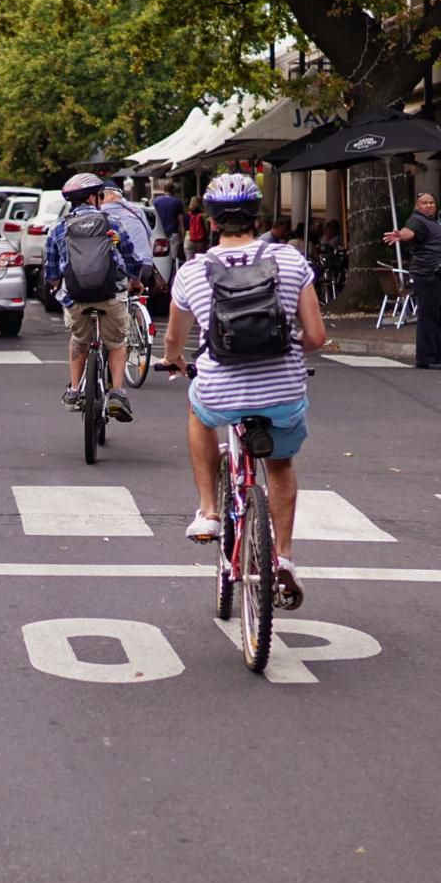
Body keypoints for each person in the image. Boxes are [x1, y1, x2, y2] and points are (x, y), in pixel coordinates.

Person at [163, 172, 328, 610]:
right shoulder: (291, 262)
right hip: (283, 393)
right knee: (280, 466)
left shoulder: (193, 272)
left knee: (198, 413)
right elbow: (315, 336)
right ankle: (285, 558)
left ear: (212, 221)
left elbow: (175, 341)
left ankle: (209, 513)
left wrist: (178, 361)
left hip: (220, 392)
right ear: (259, 216)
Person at [43, 172, 144, 422]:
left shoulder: (58, 227)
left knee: (79, 338)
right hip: (110, 295)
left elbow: (51, 271)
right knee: (117, 342)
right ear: (92, 198)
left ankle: (75, 390)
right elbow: (131, 256)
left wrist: (57, 285)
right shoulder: (111, 224)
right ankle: (117, 393)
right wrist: (135, 281)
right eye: (99, 195)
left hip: (75, 298)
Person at [383, 192, 441, 369]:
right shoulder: (417, 220)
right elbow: (409, 232)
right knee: (429, 316)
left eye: (431, 202)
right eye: (424, 203)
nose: (428, 206)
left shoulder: (436, 222)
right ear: (417, 206)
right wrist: (400, 236)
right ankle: (425, 357)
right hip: (428, 274)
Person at [153, 180, 186, 264]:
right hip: (173, 232)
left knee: (160, 257)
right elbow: (180, 221)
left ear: (164, 190)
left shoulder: (156, 201)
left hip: (159, 233)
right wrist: (182, 236)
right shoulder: (177, 202)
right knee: (172, 257)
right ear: (173, 190)